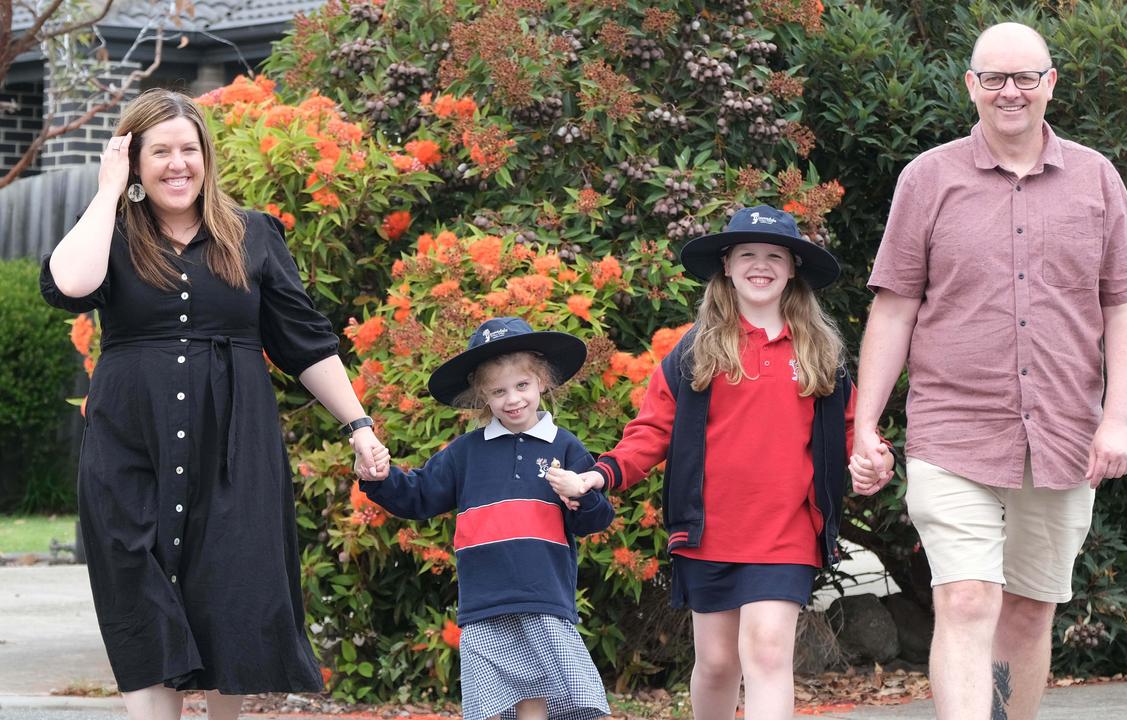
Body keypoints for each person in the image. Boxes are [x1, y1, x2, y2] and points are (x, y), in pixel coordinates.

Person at [849, 22, 1127, 720]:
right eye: (994, 77)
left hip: (1065, 432)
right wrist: (865, 425)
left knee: (1026, 609)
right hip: (952, 426)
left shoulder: (1097, 178)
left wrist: (1117, 421)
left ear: (1051, 83)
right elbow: (894, 310)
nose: (1010, 91)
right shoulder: (927, 179)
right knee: (966, 597)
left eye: (1025, 77)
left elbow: (1126, 307)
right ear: (971, 86)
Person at [40, 88, 388, 720]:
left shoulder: (251, 234)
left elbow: (304, 342)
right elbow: (70, 285)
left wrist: (358, 423)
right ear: (135, 162)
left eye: (189, 149)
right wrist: (106, 192)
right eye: (160, 152)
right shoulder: (110, 231)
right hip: (128, 448)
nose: (178, 164)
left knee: (234, 594)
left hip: (235, 449)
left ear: (207, 157)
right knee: (137, 595)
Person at [546, 205, 892, 719]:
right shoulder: (695, 351)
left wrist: (872, 460)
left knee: (769, 651)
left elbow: (852, 431)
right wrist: (599, 474)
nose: (761, 265)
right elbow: (651, 431)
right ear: (726, 265)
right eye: (747, 254)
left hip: (787, 531)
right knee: (715, 664)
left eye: (775, 255)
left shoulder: (820, 353)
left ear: (793, 267)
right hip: (710, 531)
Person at [355, 316, 613, 720]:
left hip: (543, 598)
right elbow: (419, 496)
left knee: (539, 702)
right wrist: (382, 477)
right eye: (499, 391)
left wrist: (580, 494)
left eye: (522, 386)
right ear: (482, 397)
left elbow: (594, 520)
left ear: (542, 383)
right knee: (490, 707)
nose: (513, 399)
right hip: (484, 603)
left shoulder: (565, 446)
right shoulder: (466, 452)